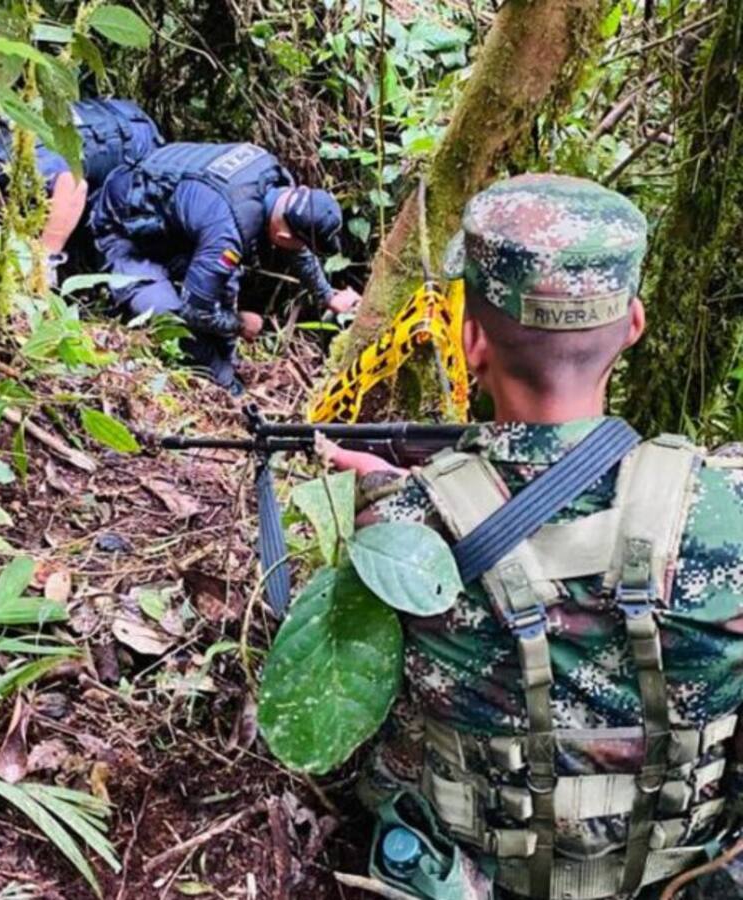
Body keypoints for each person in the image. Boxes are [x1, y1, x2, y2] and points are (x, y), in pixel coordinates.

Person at [317, 174, 743, 900]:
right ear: (633, 324)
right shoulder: (726, 500)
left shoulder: (398, 528)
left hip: (478, 874)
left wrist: (378, 499)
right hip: (684, 874)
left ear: (470, 338)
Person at [88, 141, 361, 394]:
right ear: (283, 237)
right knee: (172, 320)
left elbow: (297, 248)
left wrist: (327, 295)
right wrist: (240, 323)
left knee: (224, 282)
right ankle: (225, 385)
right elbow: (195, 312)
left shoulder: (276, 182)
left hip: (171, 221)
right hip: (124, 231)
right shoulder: (226, 230)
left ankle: (229, 363)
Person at [0, 99, 164, 276]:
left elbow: (73, 187)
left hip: (136, 145)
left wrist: (43, 261)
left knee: (113, 237)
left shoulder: (23, 167)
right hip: (104, 113)